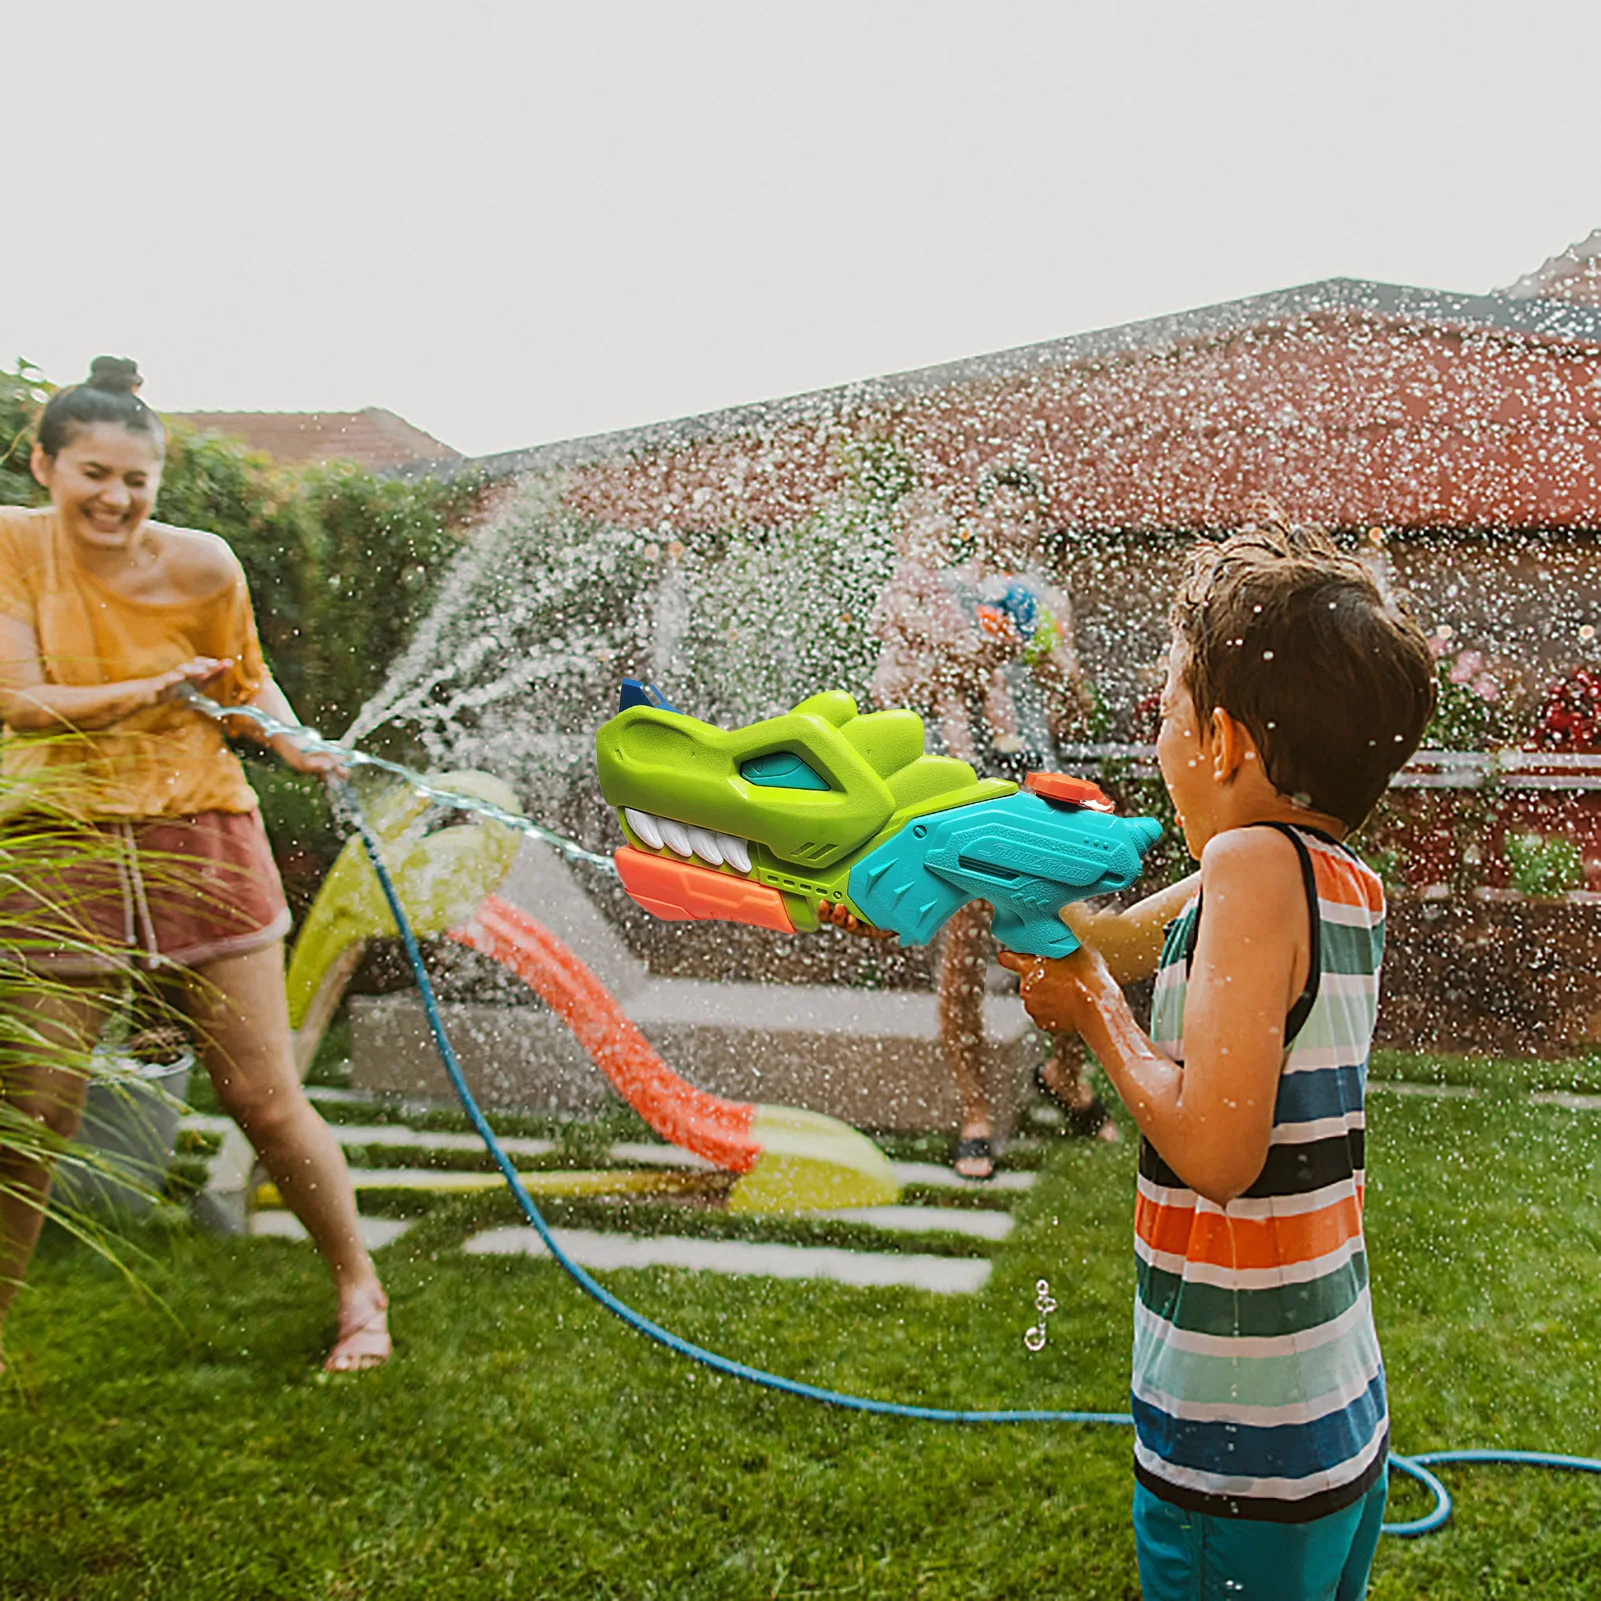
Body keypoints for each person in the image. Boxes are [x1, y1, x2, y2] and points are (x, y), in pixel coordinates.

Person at [998, 516, 1437, 1601]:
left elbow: (1218, 1150)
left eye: (1167, 714)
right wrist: (979, 886)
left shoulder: (1245, 862)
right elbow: (1118, 938)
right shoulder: (1333, 876)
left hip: (1238, 1439)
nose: (1157, 741)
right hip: (1327, 1410)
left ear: (1229, 742)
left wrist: (1097, 1014)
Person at [0, 357, 390, 1375]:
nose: (116, 498)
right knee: (37, 1107)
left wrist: (299, 743)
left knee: (261, 1096)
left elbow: (248, 688)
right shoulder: (7, 546)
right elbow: (19, 700)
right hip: (60, 842)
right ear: (44, 464)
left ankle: (359, 1289)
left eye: (137, 480)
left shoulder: (206, 565)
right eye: (94, 473)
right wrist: (149, 686)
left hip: (199, 832)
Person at [867, 470, 1112, 1179]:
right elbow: (890, 690)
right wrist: (964, 659)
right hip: (962, 800)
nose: (1013, 531)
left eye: (1024, 520)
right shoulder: (939, 593)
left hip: (1042, 795)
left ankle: (1065, 1075)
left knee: (1075, 942)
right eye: (1000, 516)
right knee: (964, 957)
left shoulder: (1047, 598)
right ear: (978, 519)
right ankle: (976, 1110)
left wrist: (1057, 669)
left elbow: (1071, 706)